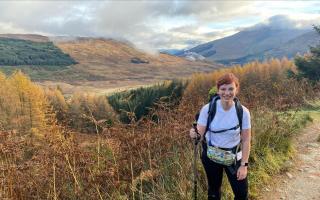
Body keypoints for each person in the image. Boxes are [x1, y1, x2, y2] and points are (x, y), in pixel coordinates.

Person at [190, 73, 251, 200]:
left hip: (234, 157)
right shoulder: (207, 109)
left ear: (236, 89)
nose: (227, 93)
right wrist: (194, 134)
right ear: (218, 90)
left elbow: (246, 140)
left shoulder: (243, 112)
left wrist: (244, 165)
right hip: (211, 156)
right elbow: (199, 135)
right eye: (223, 89)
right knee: (214, 192)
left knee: (242, 194)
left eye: (230, 89)